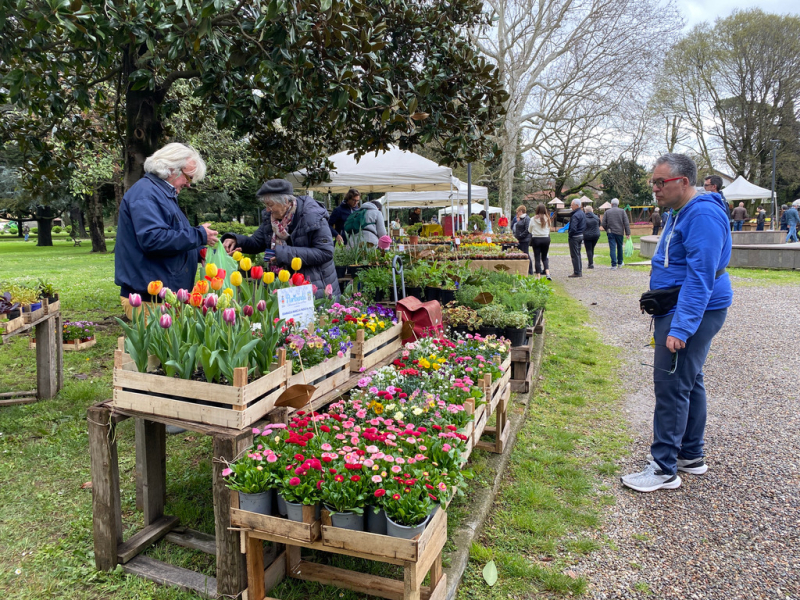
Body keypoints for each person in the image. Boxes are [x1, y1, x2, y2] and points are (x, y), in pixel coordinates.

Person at [621, 153, 732, 493]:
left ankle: (663, 468)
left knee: (671, 385)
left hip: (693, 310)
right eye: (653, 182)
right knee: (689, 379)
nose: (655, 188)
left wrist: (681, 328)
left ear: (684, 182)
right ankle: (690, 455)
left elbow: (701, 277)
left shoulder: (702, 214)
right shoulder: (679, 211)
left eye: (660, 182)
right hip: (681, 305)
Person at [116, 143, 217, 319]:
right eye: (188, 177)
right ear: (171, 169)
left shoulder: (159, 193)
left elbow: (169, 234)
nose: (188, 184)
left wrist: (194, 251)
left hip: (161, 295)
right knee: (156, 347)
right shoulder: (146, 194)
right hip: (150, 299)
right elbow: (153, 239)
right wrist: (198, 234)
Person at [222, 179, 339, 298]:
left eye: (270, 205)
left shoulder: (313, 216)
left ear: (285, 201)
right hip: (285, 287)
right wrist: (236, 240)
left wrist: (283, 254)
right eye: (266, 205)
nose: (267, 209)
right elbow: (256, 242)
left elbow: (325, 252)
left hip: (316, 286)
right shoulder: (272, 220)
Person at [601, 198, 631, 269]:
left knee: (612, 248)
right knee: (620, 247)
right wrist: (628, 233)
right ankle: (620, 263)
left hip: (610, 232)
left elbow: (603, 223)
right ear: (618, 204)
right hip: (620, 232)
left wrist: (607, 229)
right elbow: (626, 223)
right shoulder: (622, 211)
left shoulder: (607, 212)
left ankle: (613, 264)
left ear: (611, 204)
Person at [529, 203, 551, 280]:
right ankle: (547, 273)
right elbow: (549, 229)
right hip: (546, 238)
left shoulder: (533, 219)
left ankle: (538, 275)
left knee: (537, 257)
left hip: (536, 239)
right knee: (544, 257)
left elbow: (530, 230)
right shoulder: (548, 218)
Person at [567, 198, 585, 278]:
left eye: (572, 205)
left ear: (577, 205)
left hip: (575, 236)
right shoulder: (582, 213)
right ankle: (579, 270)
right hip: (581, 235)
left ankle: (577, 272)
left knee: (574, 254)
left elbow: (573, 228)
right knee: (578, 254)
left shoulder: (575, 215)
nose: (571, 206)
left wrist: (570, 234)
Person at [513, 205, 532, 275]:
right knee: (523, 254)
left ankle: (530, 270)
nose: (517, 214)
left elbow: (527, 229)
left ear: (521, 211)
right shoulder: (521, 219)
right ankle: (524, 269)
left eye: (518, 212)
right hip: (520, 239)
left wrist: (521, 236)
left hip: (525, 239)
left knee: (526, 255)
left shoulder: (527, 219)